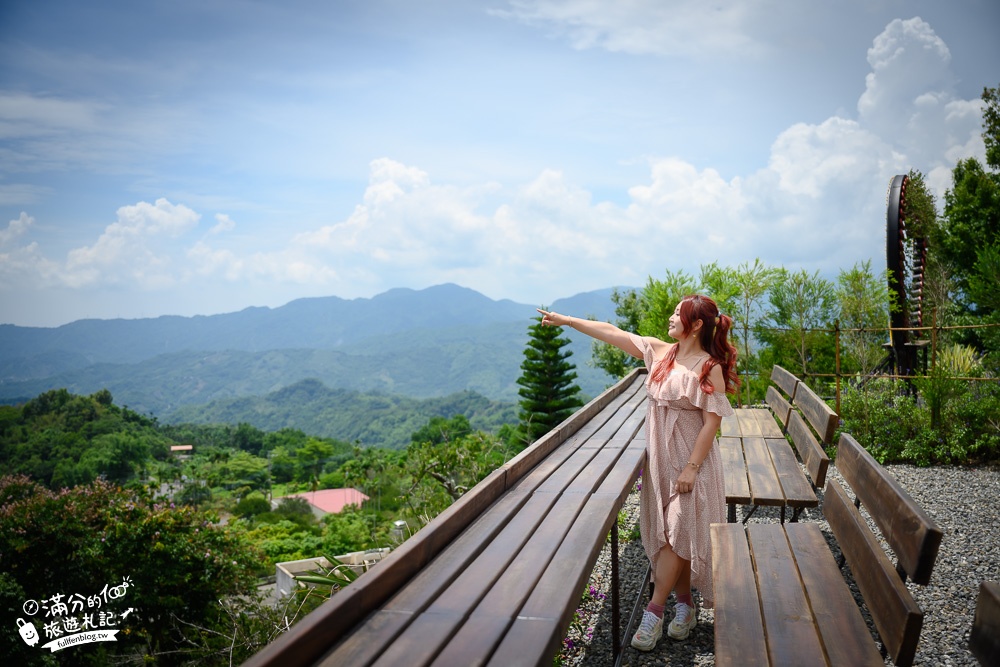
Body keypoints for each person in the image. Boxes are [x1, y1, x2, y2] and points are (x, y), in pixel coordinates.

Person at [537, 294, 738, 652]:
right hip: (661, 461)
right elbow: (613, 332)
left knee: (678, 527)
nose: (671, 317)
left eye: (679, 314)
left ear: (696, 325)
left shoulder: (709, 368)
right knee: (672, 535)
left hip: (693, 463)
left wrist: (691, 468)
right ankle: (686, 606)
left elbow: (711, 424)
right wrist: (567, 321)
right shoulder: (662, 353)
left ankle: (653, 612)